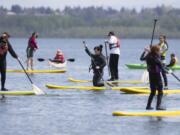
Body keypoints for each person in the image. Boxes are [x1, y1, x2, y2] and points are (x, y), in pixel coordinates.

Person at [140, 45, 167, 110]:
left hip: (151, 76)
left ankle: (148, 106)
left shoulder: (148, 56)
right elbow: (161, 67)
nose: (160, 51)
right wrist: (167, 71)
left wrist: (145, 51)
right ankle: (158, 106)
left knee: (152, 92)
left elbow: (141, 58)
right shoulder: (156, 58)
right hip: (157, 76)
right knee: (160, 92)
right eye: (159, 50)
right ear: (156, 51)